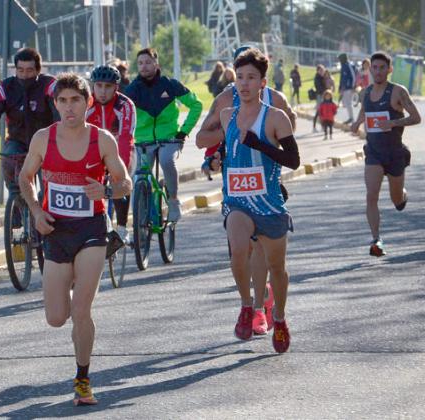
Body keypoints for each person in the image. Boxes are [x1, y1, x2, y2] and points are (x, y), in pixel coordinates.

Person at [19, 73, 132, 406]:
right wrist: (37, 212)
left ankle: (83, 379)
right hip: (56, 230)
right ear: (55, 105)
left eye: (76, 100)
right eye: (63, 101)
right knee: (56, 317)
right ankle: (66, 288)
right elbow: (25, 179)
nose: (69, 107)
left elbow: (124, 182)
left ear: (88, 103)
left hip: (91, 229)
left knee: (82, 309)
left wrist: (108, 190)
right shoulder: (43, 138)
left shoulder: (102, 140)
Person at [196, 46, 297, 337]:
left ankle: (278, 316)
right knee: (238, 251)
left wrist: (260, 144)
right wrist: (214, 160)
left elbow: (293, 160)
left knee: (276, 268)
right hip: (237, 201)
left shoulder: (276, 116)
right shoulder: (227, 114)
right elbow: (221, 145)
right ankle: (246, 306)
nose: (244, 83)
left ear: (262, 82)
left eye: (251, 77)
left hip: (269, 202)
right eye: (239, 77)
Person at [350, 52, 422, 257]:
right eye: (375, 67)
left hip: (395, 153)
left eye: (383, 67)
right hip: (373, 153)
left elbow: (416, 117)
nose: (378, 71)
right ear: (370, 69)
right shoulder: (365, 93)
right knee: (371, 196)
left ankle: (402, 195)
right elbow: (363, 113)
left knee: (396, 200)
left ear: (389, 69)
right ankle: (376, 239)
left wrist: (393, 123)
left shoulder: (398, 92)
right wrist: (356, 123)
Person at [123, 47, 203, 222]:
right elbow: (122, 114)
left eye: (148, 62)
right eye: (140, 63)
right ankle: (144, 218)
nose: (144, 67)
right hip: (142, 141)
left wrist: (183, 132)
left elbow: (196, 105)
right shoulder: (132, 89)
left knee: (167, 161)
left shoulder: (170, 84)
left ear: (156, 63)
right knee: (140, 177)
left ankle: (173, 201)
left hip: (169, 139)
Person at [0, 47, 59, 198]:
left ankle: (44, 204)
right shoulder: (7, 87)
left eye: (29, 70)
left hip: (46, 142)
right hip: (17, 141)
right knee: (8, 163)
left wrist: (61, 141)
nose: (24, 75)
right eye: (20, 70)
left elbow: (59, 114)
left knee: (49, 189)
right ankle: (18, 207)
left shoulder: (49, 85)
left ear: (38, 70)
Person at [86, 65, 137, 245]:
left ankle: (122, 228)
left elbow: (125, 139)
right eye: (98, 86)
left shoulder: (125, 106)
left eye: (108, 87)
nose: (102, 91)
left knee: (121, 180)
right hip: (95, 151)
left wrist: (118, 170)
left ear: (116, 87)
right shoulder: (87, 105)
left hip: (120, 150)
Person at [338, 53, 357, 124]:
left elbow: (353, 76)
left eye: (340, 59)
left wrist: (353, 86)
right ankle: (350, 118)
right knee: (345, 103)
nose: (339, 60)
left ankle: (352, 119)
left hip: (349, 87)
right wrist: (340, 87)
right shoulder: (343, 66)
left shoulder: (349, 65)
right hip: (344, 88)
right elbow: (342, 78)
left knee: (348, 103)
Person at [312, 64, 327, 133]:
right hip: (320, 96)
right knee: (319, 112)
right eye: (321, 70)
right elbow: (320, 88)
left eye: (323, 70)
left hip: (323, 95)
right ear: (317, 71)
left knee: (322, 112)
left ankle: (322, 127)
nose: (322, 71)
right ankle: (314, 127)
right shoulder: (317, 78)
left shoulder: (323, 77)